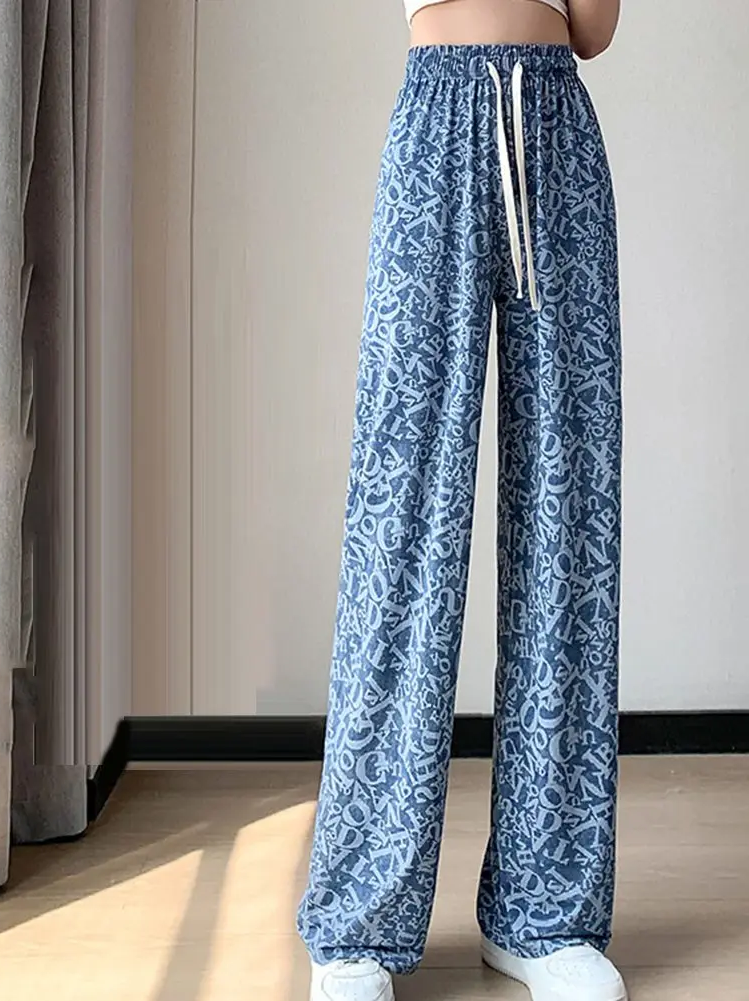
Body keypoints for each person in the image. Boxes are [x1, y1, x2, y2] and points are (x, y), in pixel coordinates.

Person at [298, 2, 625, 999]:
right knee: (403, 516)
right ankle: (356, 922)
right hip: (436, 122)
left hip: (558, 130)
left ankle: (545, 911)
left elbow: (591, 29)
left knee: (569, 515)